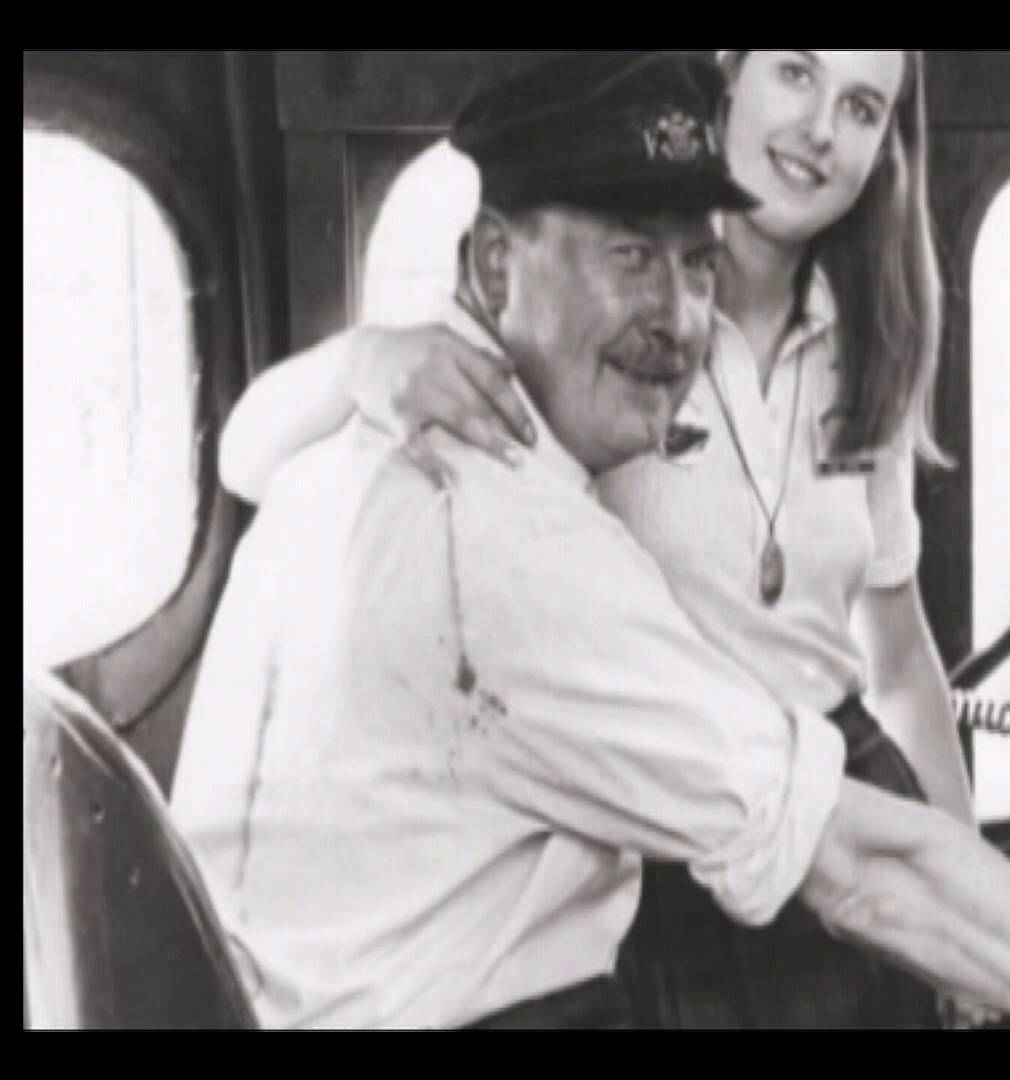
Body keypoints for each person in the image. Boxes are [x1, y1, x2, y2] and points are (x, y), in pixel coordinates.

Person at [172, 51, 1010, 1031]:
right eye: (627, 254)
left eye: (694, 263)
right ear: (492, 264)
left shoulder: (851, 344)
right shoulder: (494, 518)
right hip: (656, 871)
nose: (671, 317)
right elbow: (862, 869)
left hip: (736, 801)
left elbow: (895, 665)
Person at [218, 50, 962, 1027]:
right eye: (796, 73)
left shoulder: (871, 343)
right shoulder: (581, 333)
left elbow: (900, 660)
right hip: (660, 813)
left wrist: (961, 895)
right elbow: (248, 458)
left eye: (862, 108)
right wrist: (363, 361)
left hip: (841, 793)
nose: (821, 128)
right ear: (728, 82)